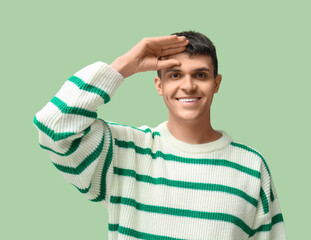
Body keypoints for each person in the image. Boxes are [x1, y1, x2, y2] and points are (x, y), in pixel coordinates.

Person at [34, 31, 286, 239]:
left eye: (200, 75)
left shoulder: (251, 166)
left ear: (216, 83)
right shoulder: (124, 150)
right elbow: (53, 126)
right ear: (159, 85)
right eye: (175, 75)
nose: (188, 86)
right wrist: (122, 66)